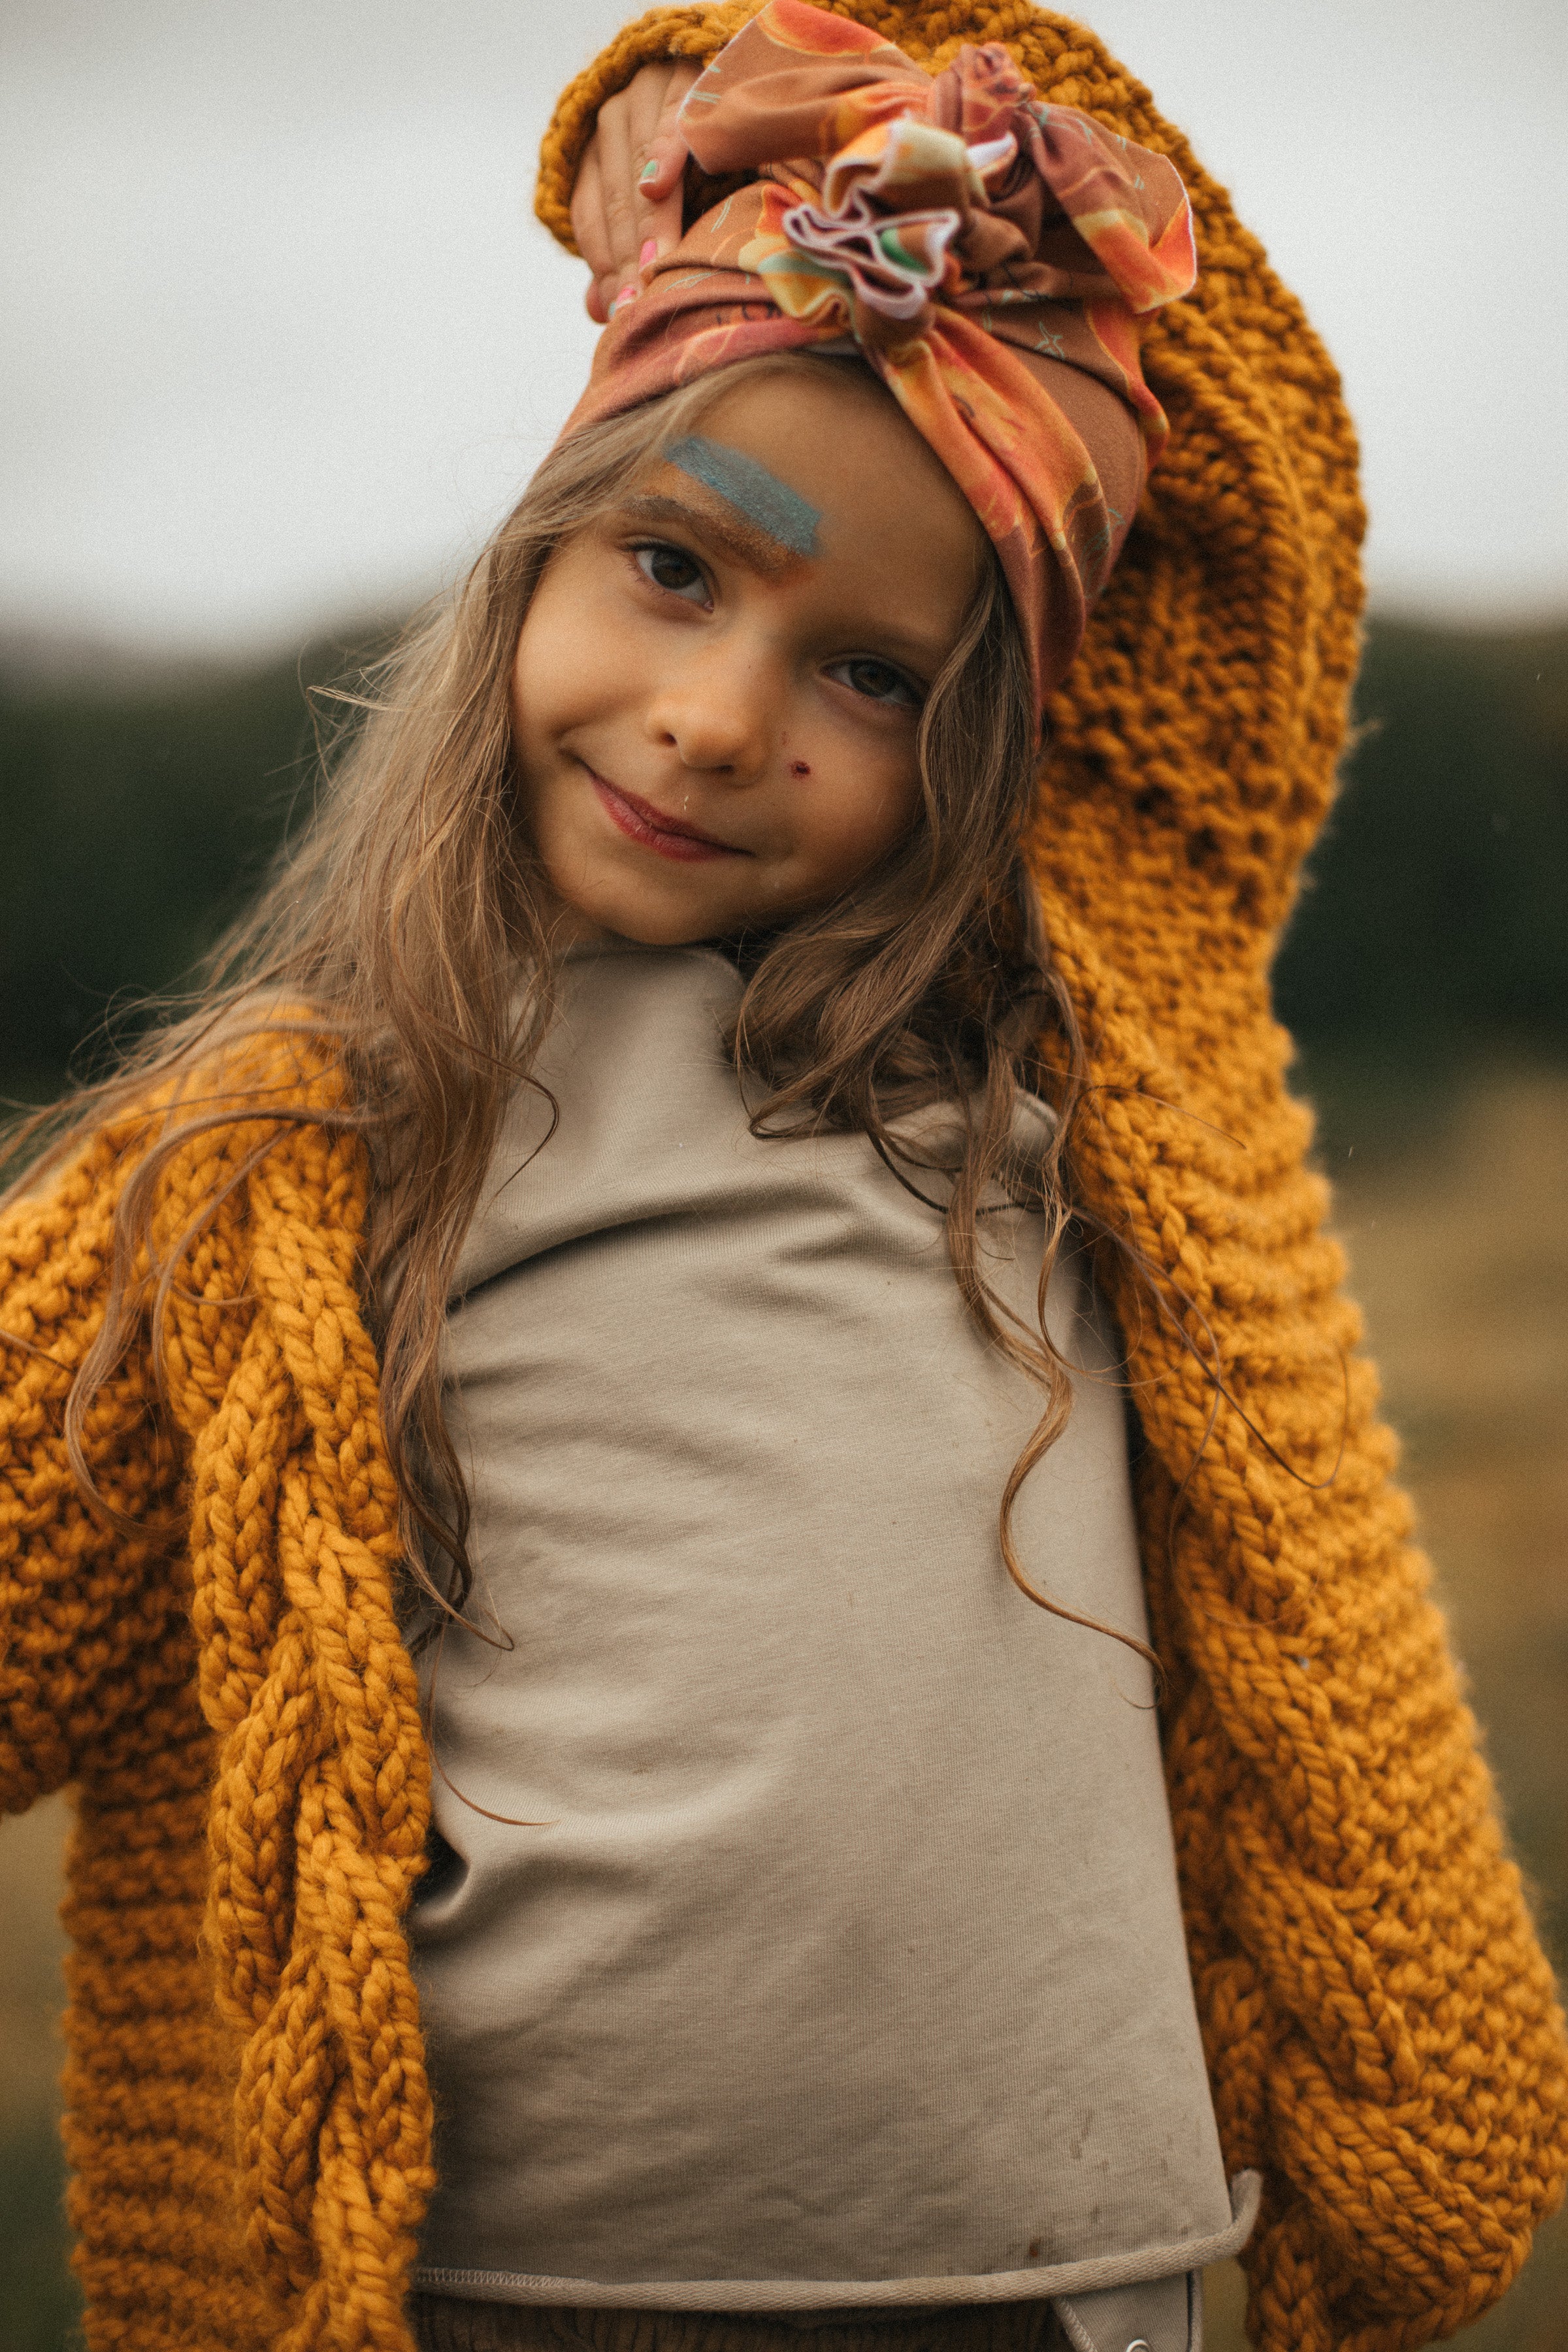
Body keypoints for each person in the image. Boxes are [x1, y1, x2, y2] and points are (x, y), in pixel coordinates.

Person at [0, 8, 1563, 2352]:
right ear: (530, 557)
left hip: (1072, 2295)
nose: (726, 719)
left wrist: (784, 79)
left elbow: (1270, 495)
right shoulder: (278, 1171)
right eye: (671, 563)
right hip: (503, 2301)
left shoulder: (1081, 1018)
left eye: (877, 679)